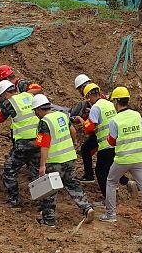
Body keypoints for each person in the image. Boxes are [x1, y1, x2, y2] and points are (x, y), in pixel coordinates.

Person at [101, 87, 142, 231]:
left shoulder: (115, 120)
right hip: (139, 158)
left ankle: (110, 214)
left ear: (117, 101)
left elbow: (111, 142)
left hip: (123, 159)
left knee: (111, 182)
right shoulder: (137, 115)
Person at [31, 93, 95, 228]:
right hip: (70, 158)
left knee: (50, 190)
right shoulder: (62, 115)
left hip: (54, 161)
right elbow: (73, 132)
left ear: (38, 109)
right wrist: (71, 145)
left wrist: (42, 165)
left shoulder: (44, 123)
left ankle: (49, 220)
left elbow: (44, 145)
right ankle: (87, 207)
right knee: (72, 184)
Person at [81, 80, 128, 201]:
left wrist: (81, 121)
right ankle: (126, 182)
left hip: (105, 144)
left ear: (89, 96)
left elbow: (89, 128)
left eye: (87, 98)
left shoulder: (95, 108)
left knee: (101, 172)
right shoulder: (108, 104)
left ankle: (108, 200)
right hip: (116, 141)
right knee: (112, 166)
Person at [0, 79, 38, 207]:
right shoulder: (29, 96)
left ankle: (14, 199)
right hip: (39, 140)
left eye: (2, 96)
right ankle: (43, 202)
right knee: (37, 172)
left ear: (5, 94)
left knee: (9, 169)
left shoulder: (9, 102)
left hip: (24, 143)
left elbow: (0, 118)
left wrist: (2, 106)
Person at [72, 74, 101, 182]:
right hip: (103, 132)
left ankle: (89, 176)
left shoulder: (95, 102)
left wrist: (81, 120)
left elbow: (89, 127)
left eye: (80, 89)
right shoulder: (100, 98)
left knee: (86, 150)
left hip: (101, 133)